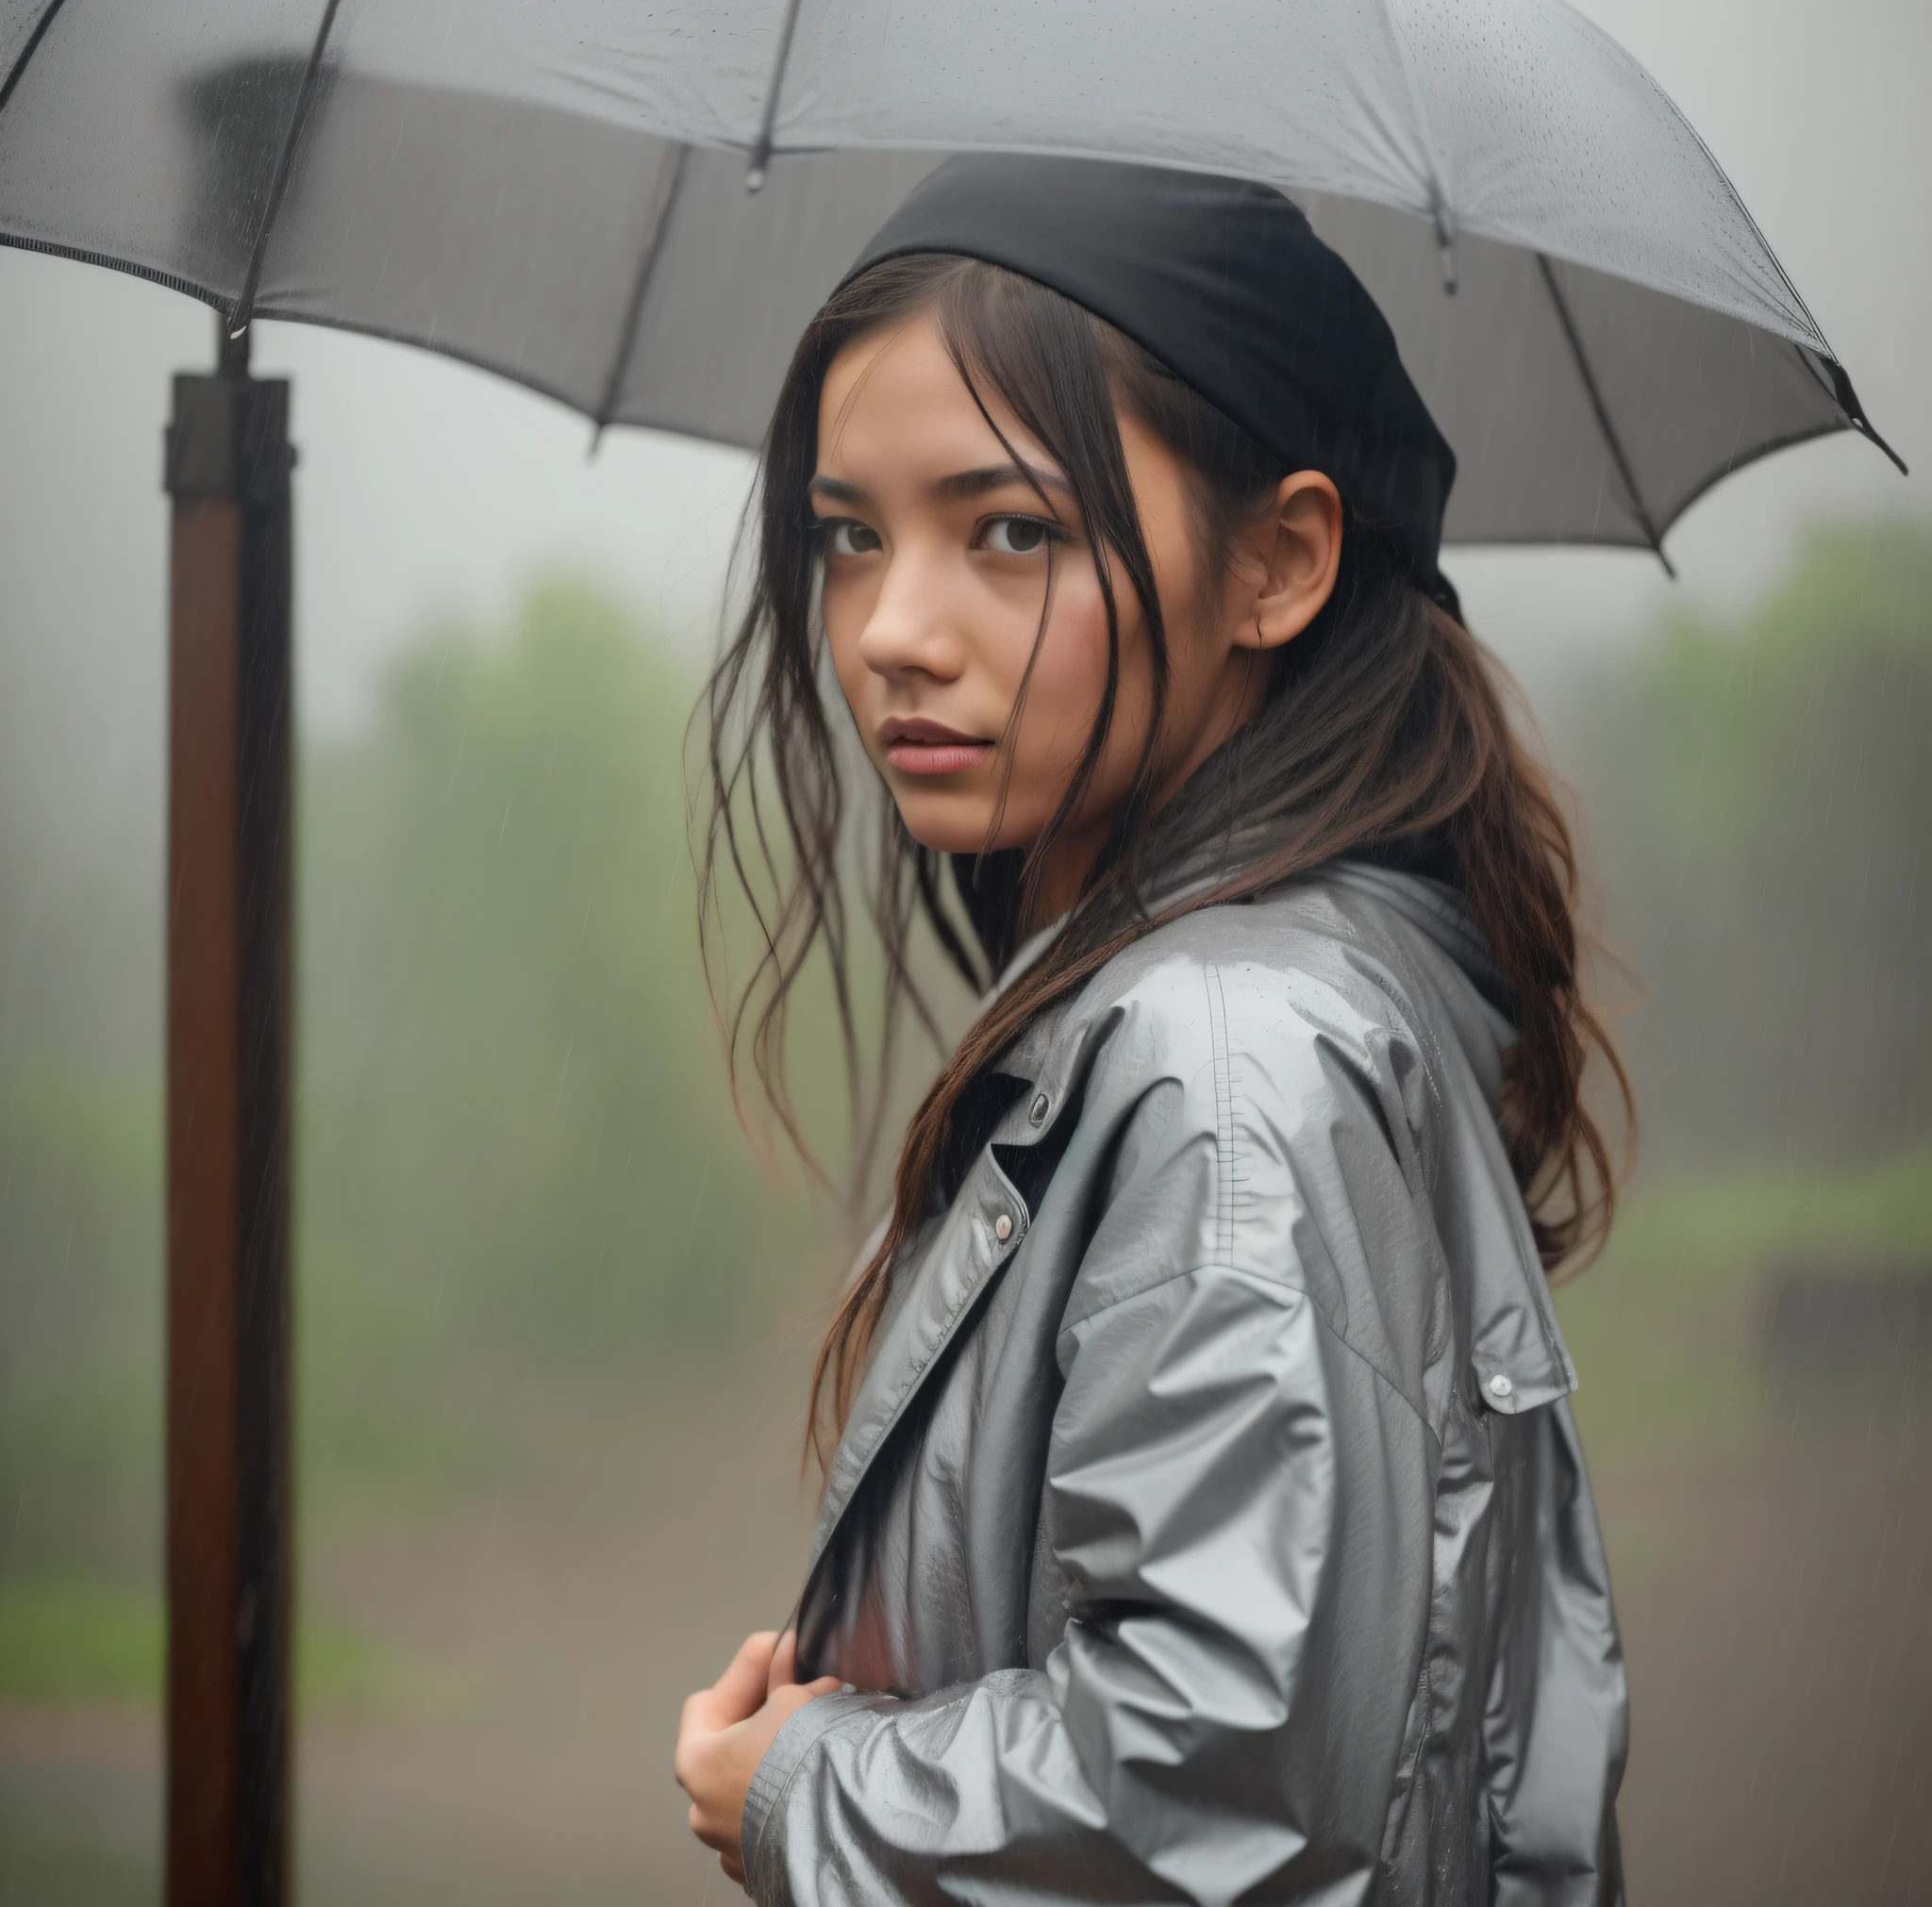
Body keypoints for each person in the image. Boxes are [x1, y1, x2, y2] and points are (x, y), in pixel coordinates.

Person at [674, 155, 1630, 1906]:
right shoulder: (1276, 995)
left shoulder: (1226, 1058)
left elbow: (1218, 1787)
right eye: (850, 535)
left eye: (1010, 531)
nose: (890, 631)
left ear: (1278, 561)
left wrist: (806, 1792)